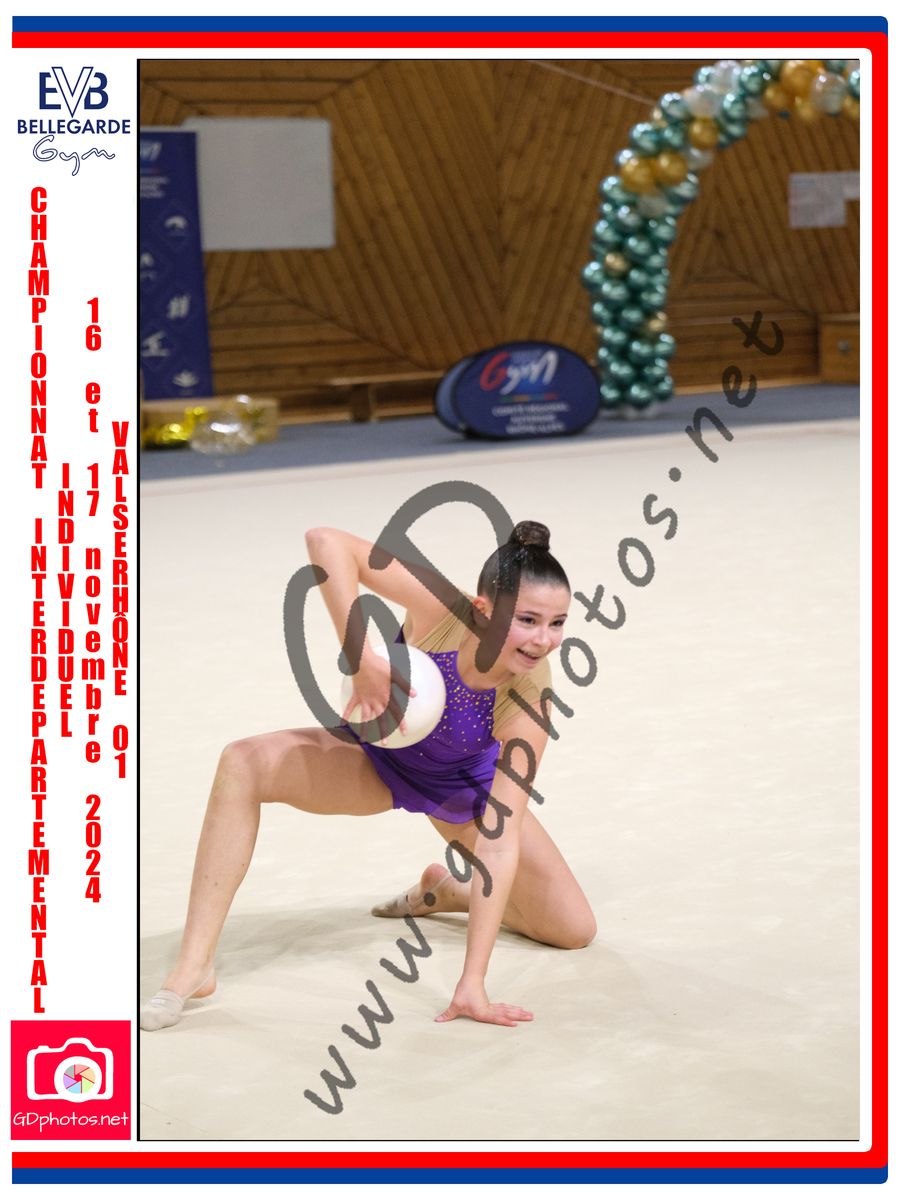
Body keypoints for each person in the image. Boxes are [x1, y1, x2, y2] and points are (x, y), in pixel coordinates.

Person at [140, 520, 596, 1032]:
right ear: (485, 609)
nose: (543, 640)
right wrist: (359, 656)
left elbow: (499, 841)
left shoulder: (530, 699)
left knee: (573, 929)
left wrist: (473, 981)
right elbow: (325, 542)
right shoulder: (443, 611)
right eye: (528, 620)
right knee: (242, 762)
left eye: (557, 623)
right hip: (374, 762)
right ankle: (194, 966)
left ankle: (450, 892)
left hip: (460, 791)